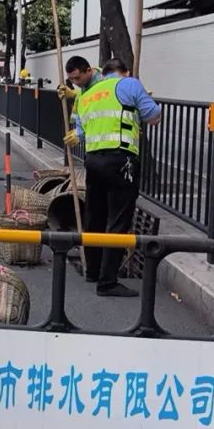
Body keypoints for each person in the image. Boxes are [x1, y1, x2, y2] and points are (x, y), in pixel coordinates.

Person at [63, 58, 161, 297]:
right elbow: (154, 116)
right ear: (124, 72)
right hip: (120, 160)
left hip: (93, 161)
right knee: (118, 220)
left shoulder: (86, 96)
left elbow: (81, 131)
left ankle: (93, 271)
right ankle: (107, 282)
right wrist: (139, 103)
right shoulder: (129, 84)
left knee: (95, 216)